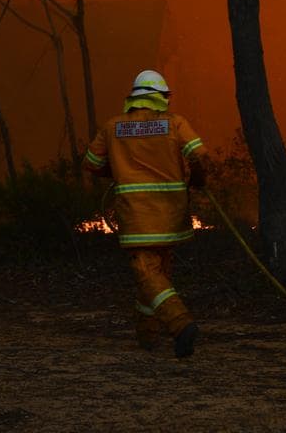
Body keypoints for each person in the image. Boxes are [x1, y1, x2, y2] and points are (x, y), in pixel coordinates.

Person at [83, 69, 207, 358]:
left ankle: (181, 323)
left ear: (134, 99)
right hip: (172, 214)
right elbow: (199, 155)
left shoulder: (112, 127)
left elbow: (91, 162)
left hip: (137, 216)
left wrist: (114, 169)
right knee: (156, 273)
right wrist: (198, 178)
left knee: (146, 272)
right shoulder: (174, 123)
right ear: (161, 98)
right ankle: (147, 334)